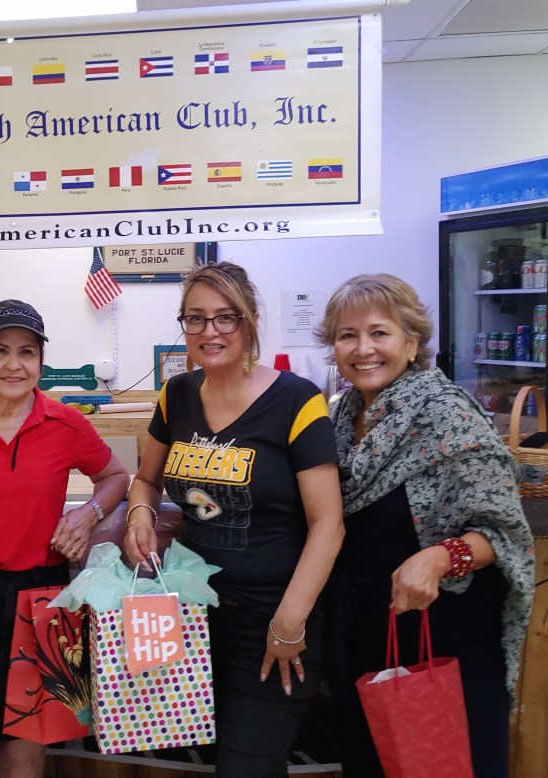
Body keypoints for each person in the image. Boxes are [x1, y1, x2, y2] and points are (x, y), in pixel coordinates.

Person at [124, 262, 344, 777]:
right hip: (191, 619)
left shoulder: (297, 401)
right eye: (195, 318)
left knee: (248, 765)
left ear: (250, 321)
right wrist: (139, 516)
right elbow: (146, 480)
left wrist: (289, 622)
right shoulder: (176, 395)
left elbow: (329, 524)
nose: (210, 331)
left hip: (271, 620)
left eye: (226, 317)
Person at [315, 273, 534, 778]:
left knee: (443, 764)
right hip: (366, 636)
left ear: (412, 343)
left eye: (379, 332)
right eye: (348, 335)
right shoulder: (342, 416)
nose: (363, 349)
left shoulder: (448, 416)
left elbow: (504, 534)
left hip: (441, 644)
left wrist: (439, 558)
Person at [0, 299, 130, 778]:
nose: (13, 365)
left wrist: (87, 514)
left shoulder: (65, 423)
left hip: (41, 600)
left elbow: (116, 477)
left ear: (41, 361)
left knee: (25, 756)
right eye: (1, 351)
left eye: (27, 352)